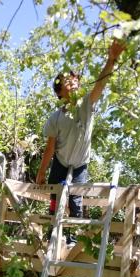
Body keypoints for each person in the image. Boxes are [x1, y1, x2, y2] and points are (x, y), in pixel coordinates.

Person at [36, 39, 125, 239]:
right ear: (59, 93)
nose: (73, 81)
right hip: (60, 162)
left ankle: (72, 238)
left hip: (80, 164)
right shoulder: (55, 117)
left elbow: (100, 85)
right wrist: (42, 172)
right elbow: (50, 148)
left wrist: (111, 60)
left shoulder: (86, 104)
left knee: (76, 201)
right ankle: (53, 235)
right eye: (67, 80)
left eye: (75, 78)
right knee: (55, 199)